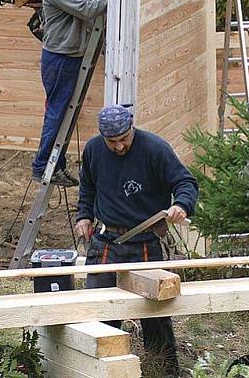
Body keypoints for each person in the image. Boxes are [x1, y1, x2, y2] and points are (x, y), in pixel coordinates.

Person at [75, 105, 199, 378]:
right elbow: (88, 187)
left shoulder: (155, 148)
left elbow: (186, 183)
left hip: (145, 241)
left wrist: (182, 204)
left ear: (131, 127)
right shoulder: (94, 150)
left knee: (154, 312)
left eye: (123, 139)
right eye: (113, 142)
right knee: (100, 311)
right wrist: (84, 215)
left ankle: (163, 369)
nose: (119, 146)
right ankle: (99, 369)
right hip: (106, 242)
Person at [30, 0, 107, 185]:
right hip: (61, 56)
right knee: (58, 111)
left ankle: (57, 163)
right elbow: (86, 9)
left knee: (67, 113)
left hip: (74, 52)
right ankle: (42, 166)